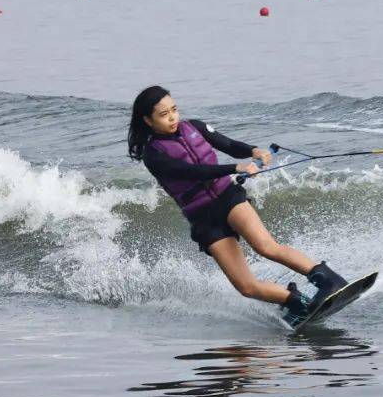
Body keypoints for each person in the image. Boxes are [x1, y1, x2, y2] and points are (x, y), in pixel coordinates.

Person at [127, 85, 348, 324]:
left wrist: (253, 150)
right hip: (202, 218)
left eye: (174, 110)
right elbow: (190, 171)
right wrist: (235, 168)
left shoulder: (195, 127)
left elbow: (228, 145)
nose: (172, 117)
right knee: (246, 287)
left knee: (266, 246)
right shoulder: (153, 154)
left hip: (227, 197)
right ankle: (297, 303)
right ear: (148, 120)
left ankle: (329, 280)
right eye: (164, 114)